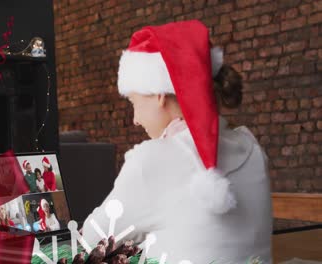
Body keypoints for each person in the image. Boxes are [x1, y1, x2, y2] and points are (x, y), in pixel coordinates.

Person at [82, 20, 272, 264]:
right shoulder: (253, 148)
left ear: (159, 95)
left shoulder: (151, 160)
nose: (136, 120)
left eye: (133, 103)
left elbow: (90, 241)